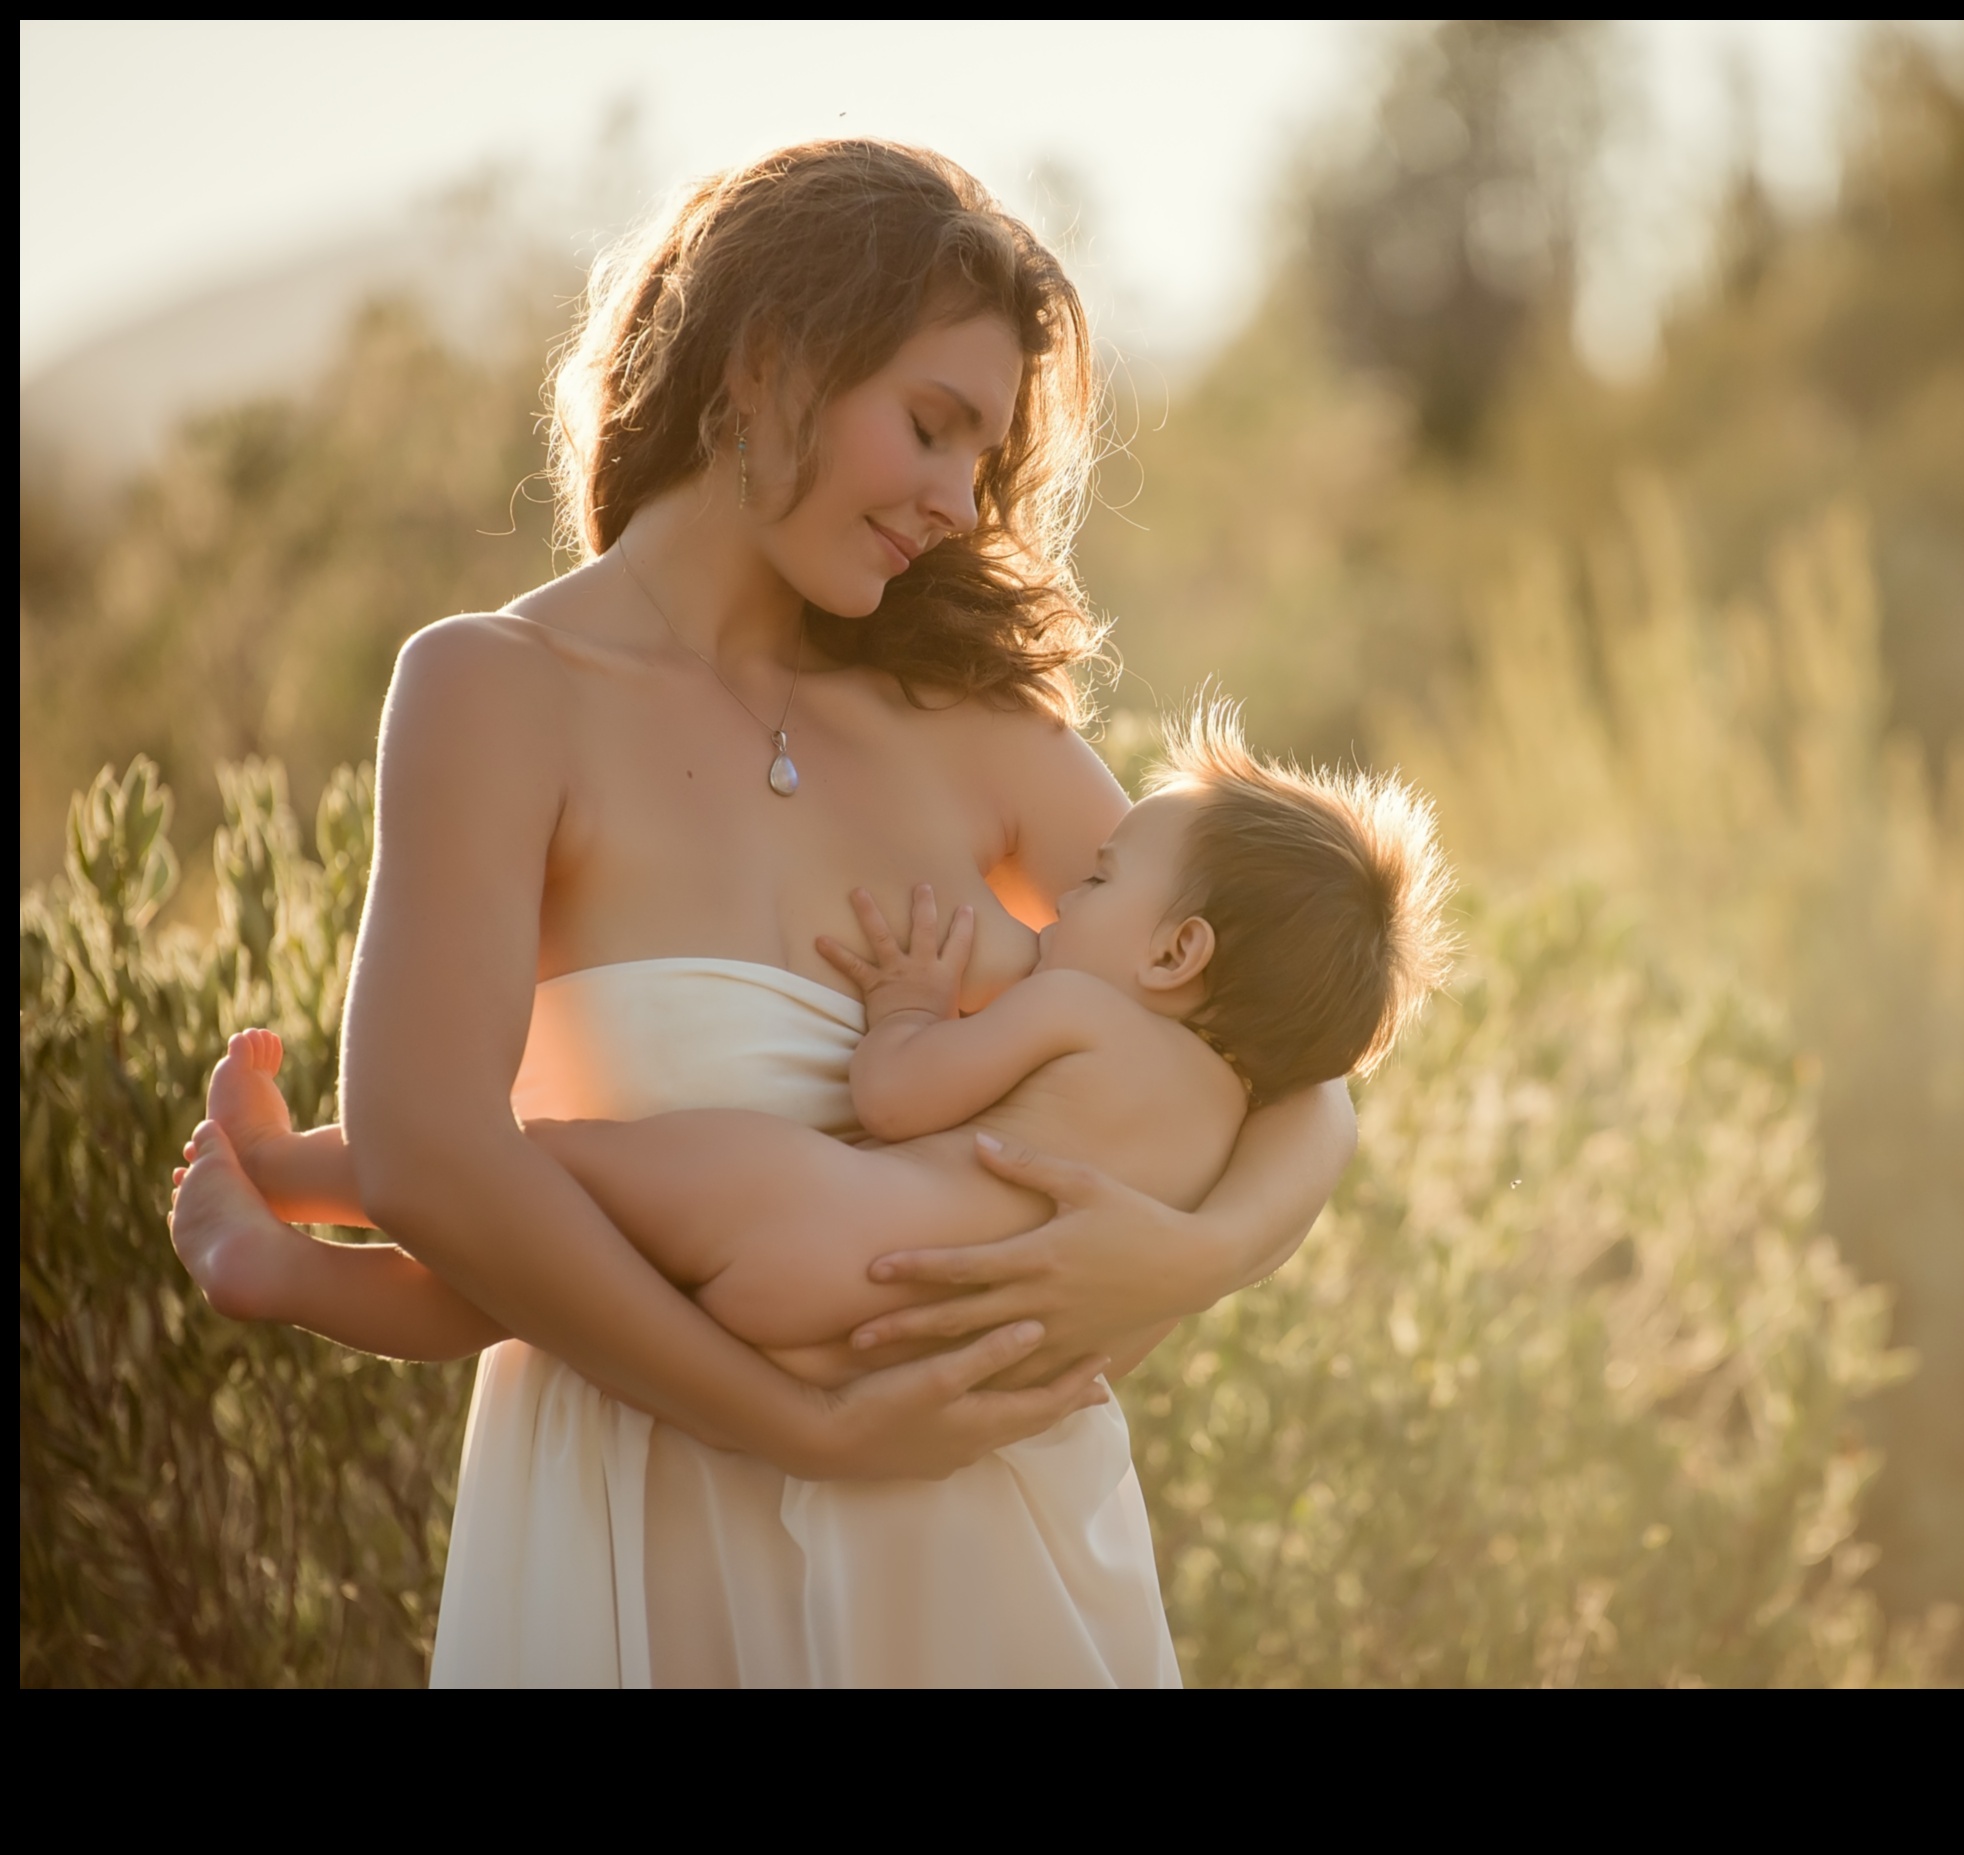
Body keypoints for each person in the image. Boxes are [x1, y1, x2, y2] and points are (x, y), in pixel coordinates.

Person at [164, 140, 1357, 1687]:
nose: (959, 502)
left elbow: (1295, 1060)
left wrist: (1190, 1258)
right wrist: (807, 1426)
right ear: (771, 359)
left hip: (988, 1553)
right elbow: (429, 1153)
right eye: (929, 426)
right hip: (642, 1537)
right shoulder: (497, 689)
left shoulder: (978, 727)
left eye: (984, 458)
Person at [177, 708, 1451, 1391]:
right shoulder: (1221, 1123)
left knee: (533, 1186)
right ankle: (284, 1273)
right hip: (887, 1347)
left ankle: (287, 1175)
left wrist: (908, 1004)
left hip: (808, 1212)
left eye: (1101, 880)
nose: (1068, 898)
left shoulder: (1079, 1008)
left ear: (1175, 953)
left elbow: (897, 1100)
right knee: (515, 1295)